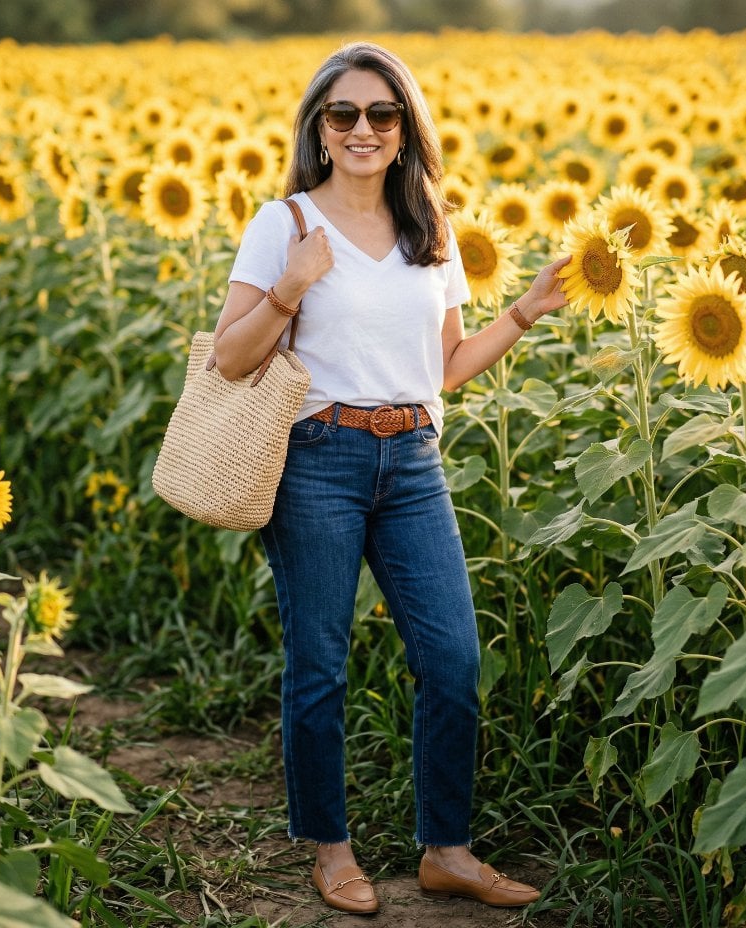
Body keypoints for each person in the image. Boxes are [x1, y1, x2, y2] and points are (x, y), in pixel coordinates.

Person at [213, 41, 569, 915]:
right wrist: (290, 289)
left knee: (452, 658)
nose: (364, 128)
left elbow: (442, 367)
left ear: (405, 131)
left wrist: (523, 310)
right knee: (320, 665)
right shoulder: (284, 224)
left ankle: (446, 848)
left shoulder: (430, 228)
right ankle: (330, 851)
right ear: (321, 131)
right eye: (345, 114)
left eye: (382, 113)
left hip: (413, 458)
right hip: (316, 460)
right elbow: (228, 358)